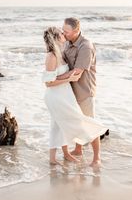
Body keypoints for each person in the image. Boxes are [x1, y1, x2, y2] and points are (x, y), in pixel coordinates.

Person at [42, 26, 107, 166]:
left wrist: (69, 76)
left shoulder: (61, 51)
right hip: (56, 95)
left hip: (64, 94)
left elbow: (60, 74)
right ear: (56, 37)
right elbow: (48, 82)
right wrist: (69, 79)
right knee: (63, 123)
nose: (63, 34)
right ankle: (53, 159)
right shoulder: (52, 56)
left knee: (62, 124)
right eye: (61, 33)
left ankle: (66, 154)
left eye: (64, 31)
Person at [61, 17, 109, 157]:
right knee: (77, 122)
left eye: (67, 31)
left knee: (90, 124)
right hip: (71, 90)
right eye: (63, 30)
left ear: (76, 31)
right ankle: (78, 149)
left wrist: (55, 79)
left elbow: (77, 71)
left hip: (84, 91)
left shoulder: (86, 46)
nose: (63, 33)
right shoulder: (67, 43)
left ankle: (96, 158)